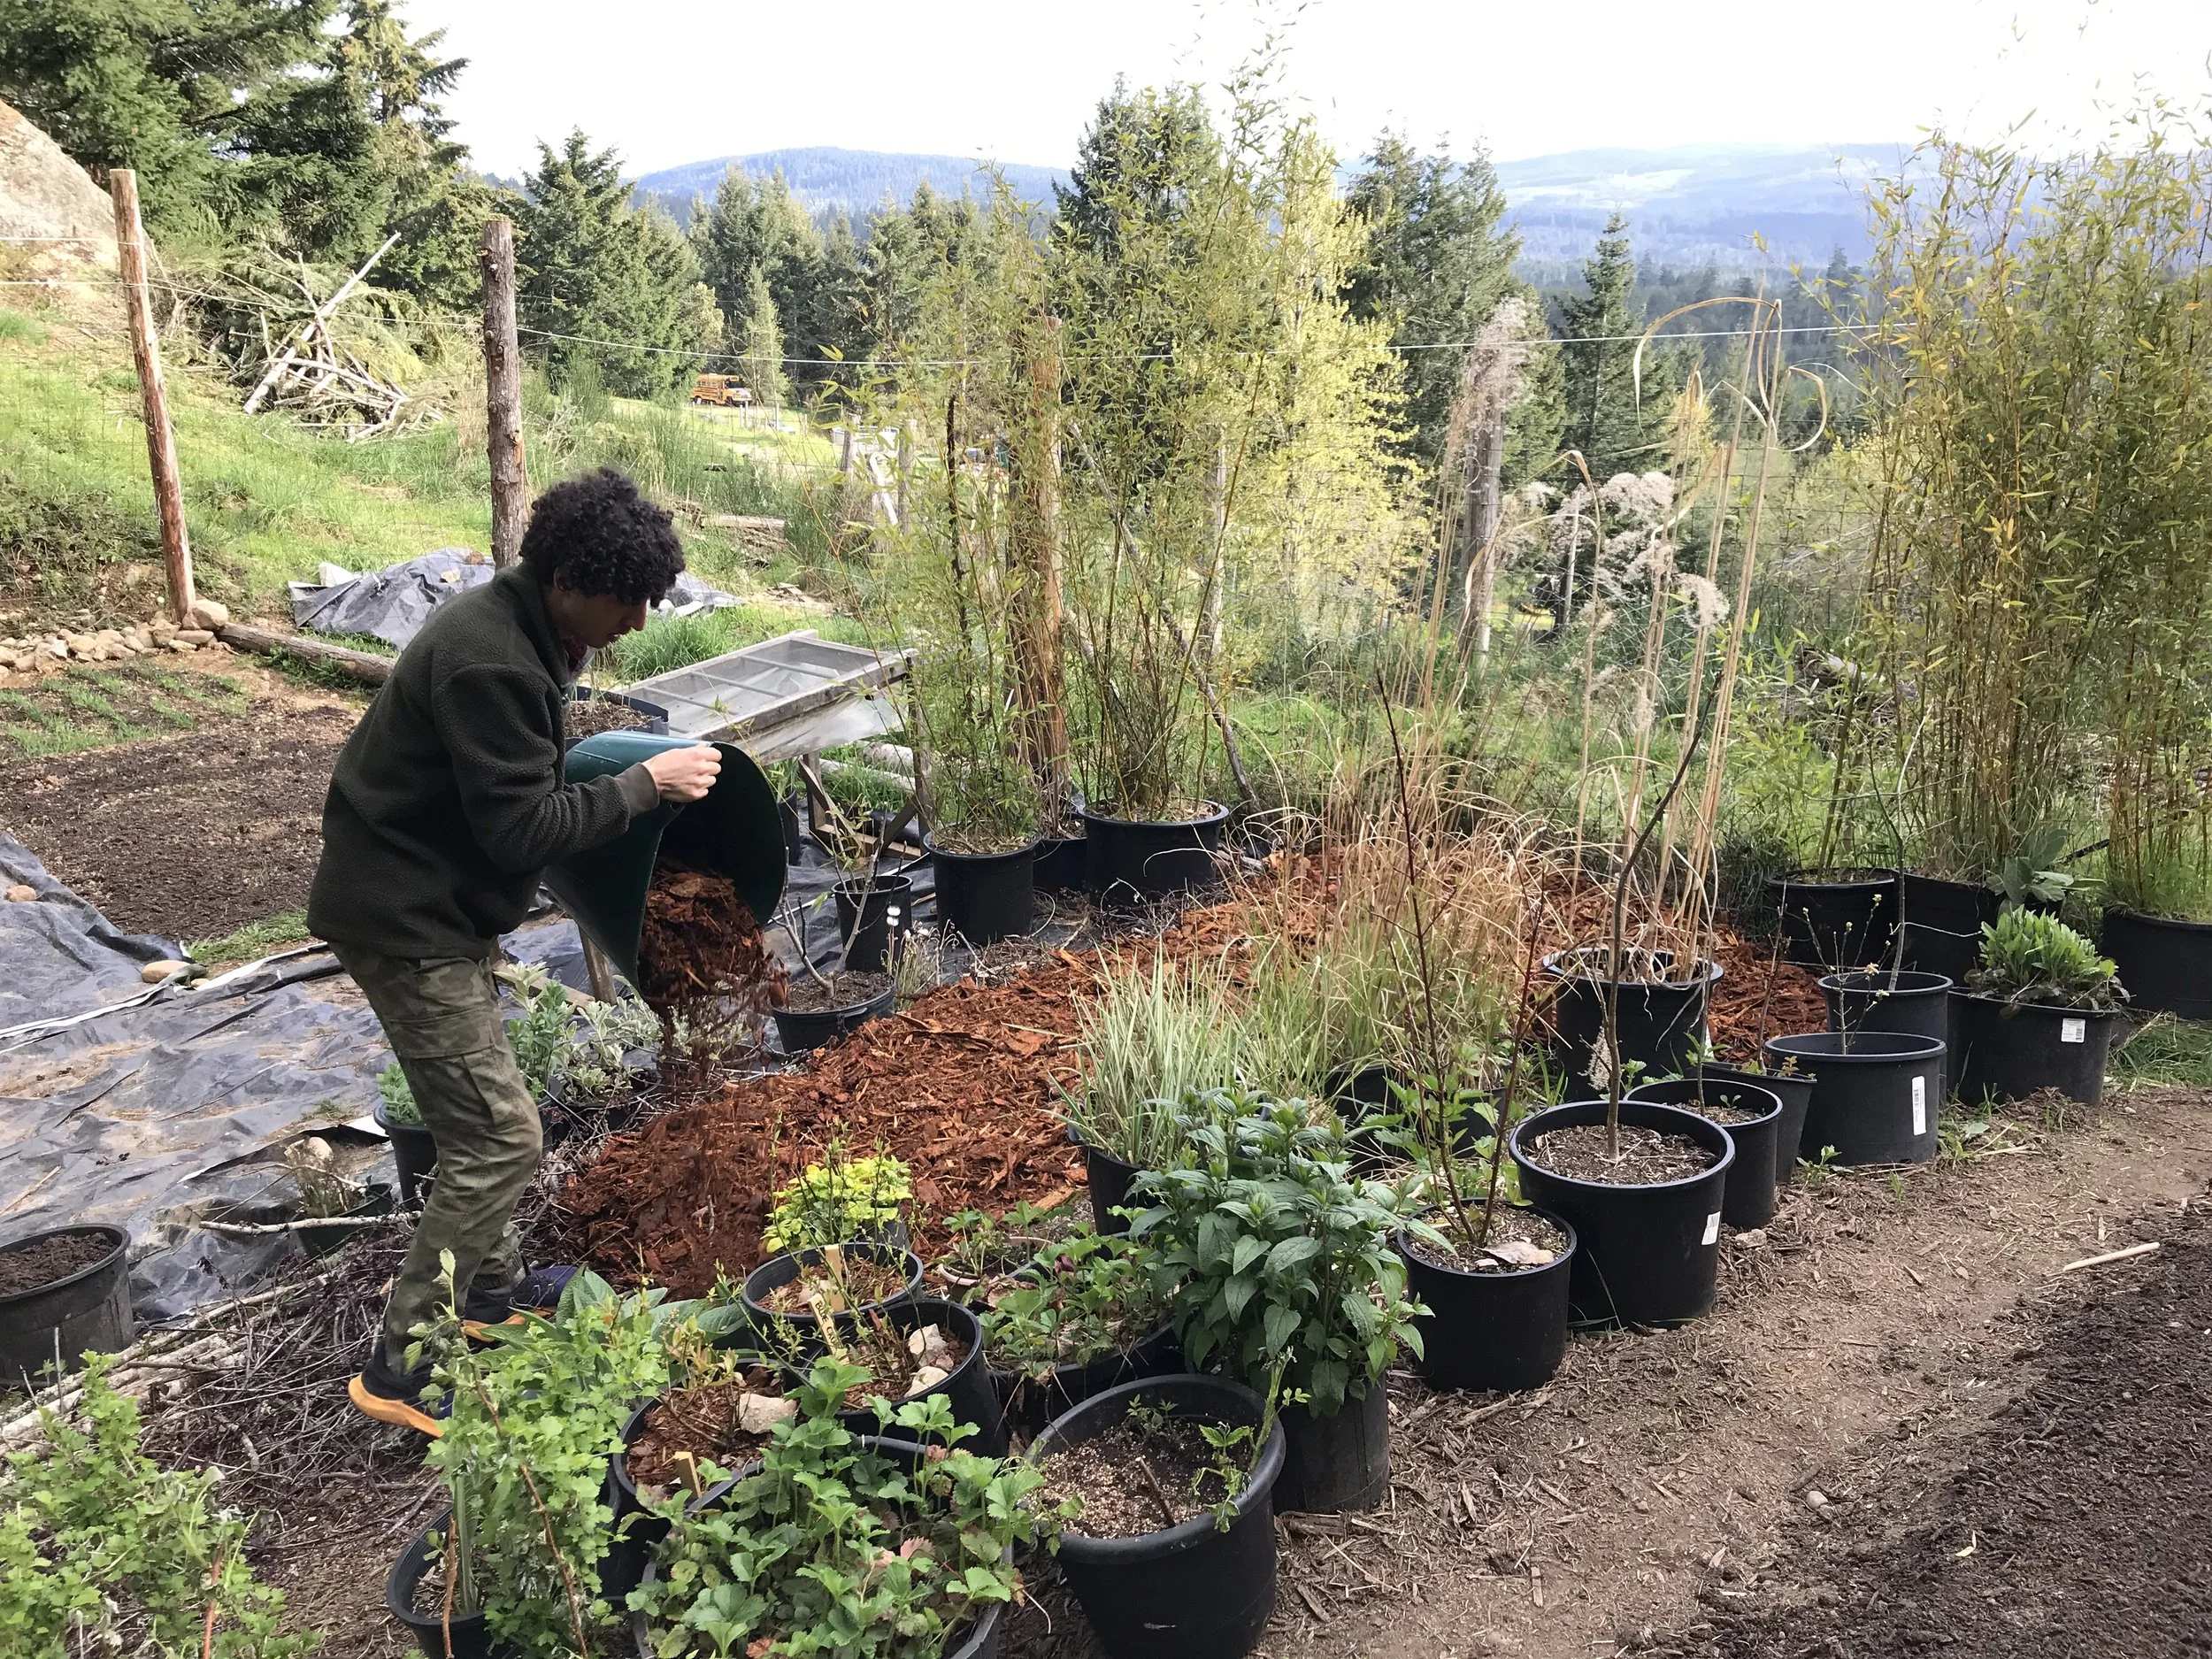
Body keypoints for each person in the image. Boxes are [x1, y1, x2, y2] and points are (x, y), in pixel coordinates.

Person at [309, 467, 720, 1434]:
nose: (639, 620)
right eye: (629, 600)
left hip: (440, 905)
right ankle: (401, 1367)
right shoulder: (488, 658)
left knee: (477, 1119)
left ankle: (489, 1301)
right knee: (501, 1136)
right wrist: (641, 787)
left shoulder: (535, 629)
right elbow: (519, 832)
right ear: (571, 576)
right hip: (406, 920)